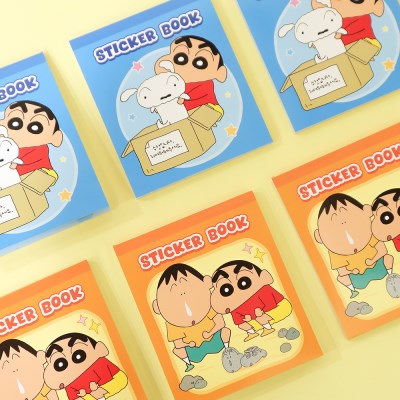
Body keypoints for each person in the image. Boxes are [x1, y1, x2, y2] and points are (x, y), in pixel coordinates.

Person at [152, 263, 231, 372]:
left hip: (215, 340)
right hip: (193, 351)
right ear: (158, 307)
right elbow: (178, 343)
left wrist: (210, 333)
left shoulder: (209, 307)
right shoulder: (173, 325)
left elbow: (221, 323)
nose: (182, 293)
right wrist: (189, 344)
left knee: (226, 331)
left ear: (207, 283)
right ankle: (188, 364)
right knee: (177, 350)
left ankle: (228, 349)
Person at [315, 193, 393, 298]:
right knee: (341, 278)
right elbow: (341, 271)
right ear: (319, 236)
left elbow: (383, 250)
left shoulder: (370, 233)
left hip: (379, 266)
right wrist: (352, 271)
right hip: (357, 278)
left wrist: (373, 260)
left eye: (345, 214)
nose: (342, 222)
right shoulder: (335, 252)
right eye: (334, 218)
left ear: (366, 211)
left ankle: (391, 275)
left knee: (388, 258)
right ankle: (353, 290)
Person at [211, 260, 292, 342]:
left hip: (278, 308)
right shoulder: (234, 306)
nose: (237, 292)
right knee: (242, 325)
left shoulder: (263, 290)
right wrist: (246, 318)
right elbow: (237, 319)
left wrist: (262, 312)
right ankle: (252, 333)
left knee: (260, 317)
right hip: (254, 320)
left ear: (263, 276)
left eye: (244, 282)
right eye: (226, 290)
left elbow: (271, 303)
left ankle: (268, 328)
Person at [155, 35, 227, 117]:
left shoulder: (205, 84)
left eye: (201, 63)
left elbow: (187, 95)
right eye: (180, 58)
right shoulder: (173, 84)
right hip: (185, 113)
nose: (187, 66)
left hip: (209, 108)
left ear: (220, 72)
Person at [44, 333, 128, 400]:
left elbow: (122, 379)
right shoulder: (70, 384)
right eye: (60, 364)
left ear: (99, 349)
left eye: (79, 354)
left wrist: (103, 390)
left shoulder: (101, 363)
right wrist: (90, 396)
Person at [0, 100, 63, 183]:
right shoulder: (5, 144)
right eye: (15, 123)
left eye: (35, 128)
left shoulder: (40, 149)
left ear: (56, 137)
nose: (22, 131)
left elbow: (18, 161)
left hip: (38, 175)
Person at [312, 0, 384, 49]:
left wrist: (338, 34)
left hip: (365, 42)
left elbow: (352, 29)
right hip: (344, 47)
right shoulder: (334, 19)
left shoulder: (363, 18)